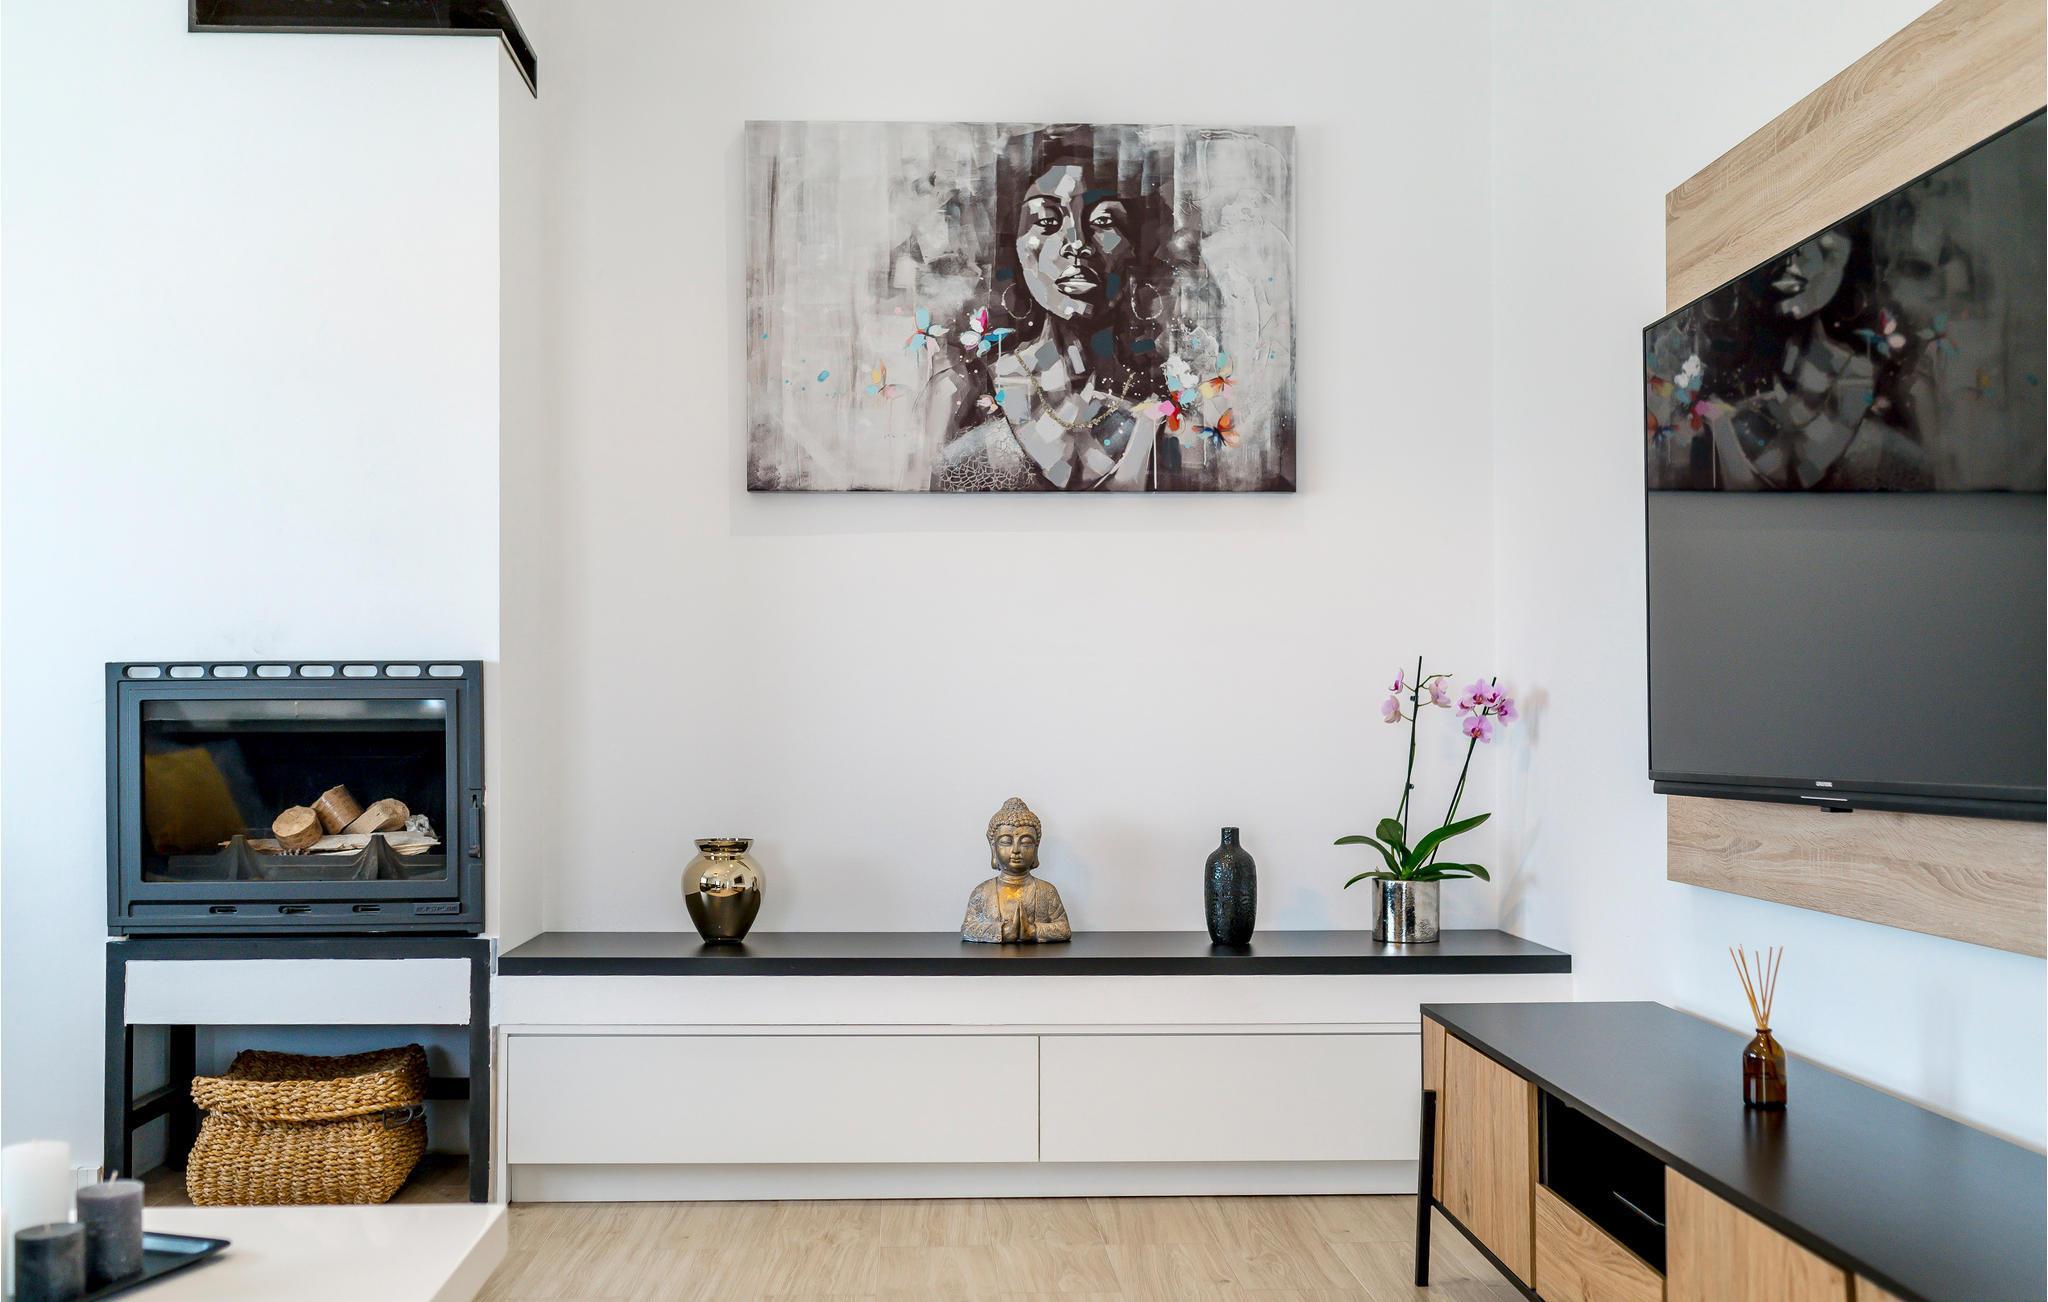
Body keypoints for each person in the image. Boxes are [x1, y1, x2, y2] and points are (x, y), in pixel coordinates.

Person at [924, 128, 1173, 491]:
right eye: (1046, 221)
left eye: (1103, 221)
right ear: (1016, 246)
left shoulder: (1168, 397)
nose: (1077, 244)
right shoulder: (964, 387)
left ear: (1135, 246)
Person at [960, 798, 1071, 943]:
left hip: (1038, 957)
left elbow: (1064, 929)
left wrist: (1033, 931)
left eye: (1026, 842)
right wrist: (1003, 931)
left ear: (1036, 847)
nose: (1016, 850)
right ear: (993, 847)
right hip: (993, 957)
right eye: (1006, 842)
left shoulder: (1047, 891)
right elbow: (968, 928)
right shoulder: (982, 892)